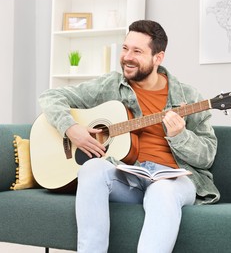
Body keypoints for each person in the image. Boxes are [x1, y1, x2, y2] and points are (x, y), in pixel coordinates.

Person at [38, 20, 220, 253]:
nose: (127, 57)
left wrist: (180, 135)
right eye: (125, 48)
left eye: (137, 51)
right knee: (91, 169)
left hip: (173, 179)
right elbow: (51, 96)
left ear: (158, 57)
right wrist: (71, 128)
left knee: (162, 191)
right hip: (128, 176)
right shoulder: (111, 85)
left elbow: (207, 157)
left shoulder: (190, 97)